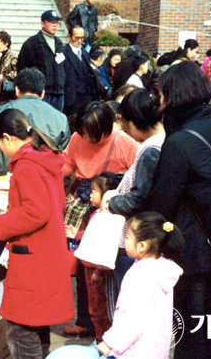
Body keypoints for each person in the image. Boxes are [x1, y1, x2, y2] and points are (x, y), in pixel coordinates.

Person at [144, 61, 211, 358]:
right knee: (205, 324)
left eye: (162, 93)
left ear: (174, 95)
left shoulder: (181, 140)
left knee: (189, 331)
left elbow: (161, 203)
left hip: (190, 250)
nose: (159, 101)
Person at [0, 108, 74, 359]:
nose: (0, 149)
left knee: (22, 330)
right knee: (37, 325)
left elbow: (36, 211)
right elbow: (56, 203)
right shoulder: (43, 157)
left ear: (7, 137)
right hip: (46, 251)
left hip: (33, 256)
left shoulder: (26, 165)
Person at [62, 101, 139, 338]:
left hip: (111, 213)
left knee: (106, 270)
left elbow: (138, 177)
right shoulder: (77, 138)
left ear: (108, 126)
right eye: (84, 132)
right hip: (83, 205)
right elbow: (66, 165)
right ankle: (86, 321)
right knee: (82, 263)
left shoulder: (125, 142)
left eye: (93, 134)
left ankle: (112, 327)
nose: (88, 138)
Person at [100, 86, 165, 297]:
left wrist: (113, 202)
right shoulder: (165, 140)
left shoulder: (151, 150)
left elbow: (140, 197)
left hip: (136, 238)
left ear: (134, 120)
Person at [96, 212, 184, 359]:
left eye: (127, 238)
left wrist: (109, 343)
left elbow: (133, 319)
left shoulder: (141, 275)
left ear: (142, 246)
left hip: (134, 351)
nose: (124, 241)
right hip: (154, 350)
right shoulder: (162, 270)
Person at [0, 68, 70, 176]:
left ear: (16, 90)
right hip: (45, 179)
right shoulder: (61, 118)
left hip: (6, 177)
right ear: (43, 93)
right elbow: (63, 157)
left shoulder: (1, 111)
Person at [65, 172, 120, 345]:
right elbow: (91, 235)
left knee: (103, 308)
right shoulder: (96, 213)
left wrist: (98, 271)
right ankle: (98, 338)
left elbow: (103, 246)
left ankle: (106, 341)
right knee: (94, 307)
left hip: (97, 269)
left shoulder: (109, 216)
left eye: (94, 191)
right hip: (88, 267)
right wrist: (79, 234)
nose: (90, 194)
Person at [17, 10, 65, 112]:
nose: (55, 25)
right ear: (42, 24)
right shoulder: (32, 43)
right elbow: (22, 68)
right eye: (52, 22)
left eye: (57, 22)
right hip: (41, 93)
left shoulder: (59, 43)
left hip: (58, 93)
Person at [62, 25, 101, 117]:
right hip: (71, 99)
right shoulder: (62, 53)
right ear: (69, 37)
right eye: (77, 38)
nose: (79, 41)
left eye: (82, 38)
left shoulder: (85, 53)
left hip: (86, 97)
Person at [0, 31, 18, 105]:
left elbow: (18, 72)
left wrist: (4, 77)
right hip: (2, 96)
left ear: (6, 42)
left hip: (10, 97)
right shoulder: (3, 56)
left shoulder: (13, 55)